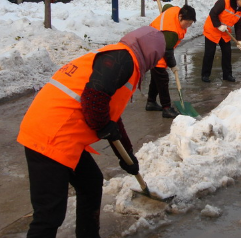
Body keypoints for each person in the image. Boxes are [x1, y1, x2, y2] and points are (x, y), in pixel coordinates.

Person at [17, 26, 166, 238]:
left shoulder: (120, 57)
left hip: (62, 134)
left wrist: (127, 154)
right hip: (50, 135)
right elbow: (94, 97)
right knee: (49, 214)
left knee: (91, 182)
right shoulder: (123, 59)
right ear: (152, 53)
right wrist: (103, 126)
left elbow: (110, 115)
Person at [145, 4, 197, 118]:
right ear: (180, 17)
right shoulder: (171, 32)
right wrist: (173, 65)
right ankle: (166, 108)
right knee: (163, 78)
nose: (187, 26)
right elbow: (167, 52)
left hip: (154, 41)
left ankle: (151, 102)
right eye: (187, 23)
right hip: (155, 50)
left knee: (156, 78)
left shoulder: (175, 10)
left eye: (190, 24)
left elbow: (166, 7)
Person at [201, 0, 241, 83]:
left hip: (224, 32)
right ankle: (205, 75)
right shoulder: (224, 2)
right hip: (212, 30)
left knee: (227, 53)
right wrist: (218, 25)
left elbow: (238, 26)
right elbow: (213, 13)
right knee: (210, 53)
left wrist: (240, 40)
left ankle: (227, 75)